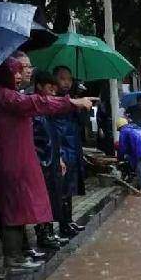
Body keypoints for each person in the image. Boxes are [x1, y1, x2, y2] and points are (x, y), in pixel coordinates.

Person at [0, 57, 93, 270]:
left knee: (22, 206)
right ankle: (14, 257)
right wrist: (71, 102)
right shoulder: (4, 96)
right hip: (11, 162)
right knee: (14, 208)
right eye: (17, 70)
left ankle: (20, 253)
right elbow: (38, 103)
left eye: (25, 69)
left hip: (21, 160)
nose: (21, 74)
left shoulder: (10, 95)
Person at [31, 70, 69, 250]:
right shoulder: (33, 108)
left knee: (53, 197)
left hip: (52, 159)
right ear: (39, 86)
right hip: (40, 161)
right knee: (42, 199)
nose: (53, 93)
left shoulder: (47, 112)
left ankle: (49, 232)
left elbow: (52, 137)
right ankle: (43, 234)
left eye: (55, 90)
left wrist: (59, 158)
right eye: (50, 88)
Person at [52, 65, 86, 237]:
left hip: (73, 148)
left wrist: (80, 107)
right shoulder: (51, 101)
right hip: (59, 149)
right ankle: (58, 226)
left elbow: (80, 124)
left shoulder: (72, 99)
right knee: (59, 189)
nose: (66, 82)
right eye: (62, 78)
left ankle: (68, 221)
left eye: (69, 79)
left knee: (70, 187)